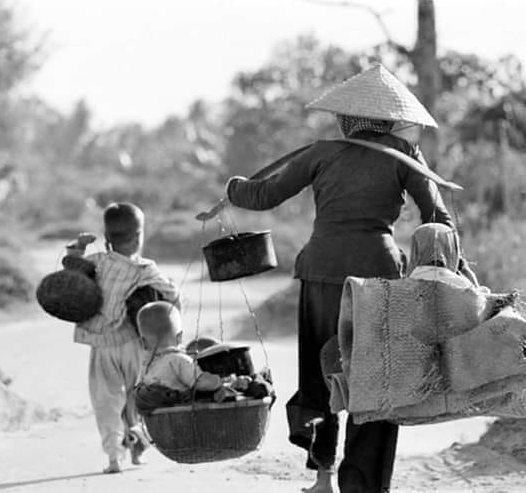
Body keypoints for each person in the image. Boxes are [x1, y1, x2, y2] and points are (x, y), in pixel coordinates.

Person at [225, 63, 458, 493]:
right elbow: (438, 220)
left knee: (321, 377)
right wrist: (444, 267)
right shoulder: (404, 154)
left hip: (321, 275)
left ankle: (323, 477)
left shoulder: (321, 152)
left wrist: (232, 188)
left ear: (347, 118)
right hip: (379, 281)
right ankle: (361, 485)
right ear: (389, 119)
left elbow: (262, 196)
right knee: (375, 380)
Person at [67, 202, 181, 474]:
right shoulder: (146, 269)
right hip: (133, 344)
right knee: (137, 397)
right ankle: (138, 446)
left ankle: (114, 455)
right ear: (139, 236)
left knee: (106, 401)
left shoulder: (97, 262)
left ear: (107, 237)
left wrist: (78, 247)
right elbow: (172, 294)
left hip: (102, 346)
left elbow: (72, 271)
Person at [133, 301, 228, 414]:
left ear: (143, 342)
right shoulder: (178, 360)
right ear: (179, 337)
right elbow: (200, 382)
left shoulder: (144, 365)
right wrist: (219, 381)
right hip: (182, 416)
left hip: (156, 418)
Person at [406, 223, 480, 289]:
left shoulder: (404, 288)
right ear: (453, 249)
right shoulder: (464, 288)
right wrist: (468, 274)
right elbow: (480, 298)